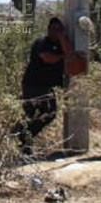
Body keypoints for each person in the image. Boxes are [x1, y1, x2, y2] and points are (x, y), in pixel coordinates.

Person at [20, 17, 74, 151]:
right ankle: (23, 138)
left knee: (49, 113)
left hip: (46, 86)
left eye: (60, 29)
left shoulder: (61, 45)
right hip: (33, 85)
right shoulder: (42, 42)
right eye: (55, 29)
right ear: (48, 29)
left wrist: (62, 38)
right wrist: (63, 56)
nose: (57, 32)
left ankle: (23, 139)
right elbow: (48, 58)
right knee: (34, 114)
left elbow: (70, 53)